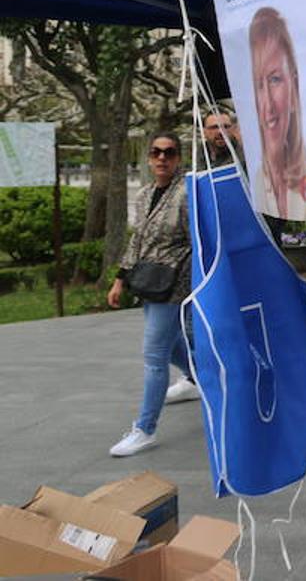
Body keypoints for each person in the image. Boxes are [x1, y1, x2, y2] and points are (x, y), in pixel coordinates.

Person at [106, 133, 198, 456]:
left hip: (174, 283)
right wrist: (120, 279)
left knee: (154, 355)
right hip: (148, 281)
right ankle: (202, 375)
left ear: (178, 158)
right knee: (171, 345)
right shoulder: (145, 195)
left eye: (169, 153)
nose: (162, 158)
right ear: (148, 158)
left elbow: (198, 241)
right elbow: (137, 241)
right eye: (156, 153)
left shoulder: (187, 193)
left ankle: (145, 428)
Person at [249, 8, 306, 220]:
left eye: (275, 79)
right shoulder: (249, 186)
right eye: (258, 84)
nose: (268, 105)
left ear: (294, 85)